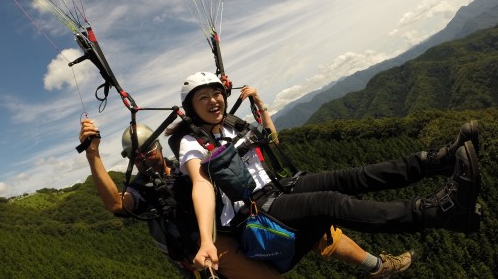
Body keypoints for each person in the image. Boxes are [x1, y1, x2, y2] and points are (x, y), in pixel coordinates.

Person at [168, 71, 481, 276]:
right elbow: (201, 184)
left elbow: (272, 138)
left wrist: (259, 102)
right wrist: (208, 239)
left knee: (351, 176)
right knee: (329, 202)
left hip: (279, 187)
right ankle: (440, 211)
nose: (214, 100)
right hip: (257, 209)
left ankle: (439, 160)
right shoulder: (192, 143)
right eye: (203, 97)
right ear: (192, 108)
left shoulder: (233, 123)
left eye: (216, 93)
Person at [79, 119, 412, 278]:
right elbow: (116, 205)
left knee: (321, 229)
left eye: (147, 151)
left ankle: (378, 267)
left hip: (236, 220)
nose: (143, 159)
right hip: (210, 247)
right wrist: (94, 156)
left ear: (158, 148)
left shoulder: (184, 166)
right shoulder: (143, 190)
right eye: (135, 156)